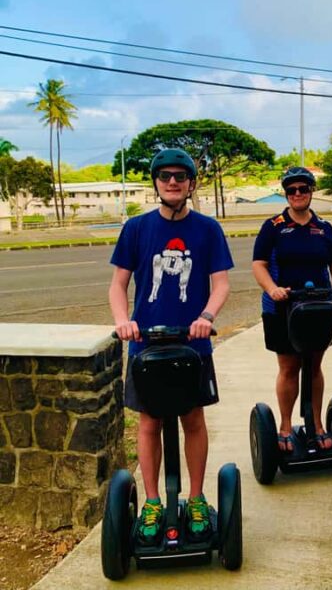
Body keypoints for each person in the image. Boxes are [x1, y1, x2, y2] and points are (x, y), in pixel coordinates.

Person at [109, 147, 233, 546]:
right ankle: (151, 501)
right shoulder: (136, 229)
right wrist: (122, 322)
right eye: (165, 176)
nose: (173, 182)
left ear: (191, 183)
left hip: (192, 343)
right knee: (149, 423)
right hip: (145, 345)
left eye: (181, 176)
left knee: (192, 419)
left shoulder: (208, 229)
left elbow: (221, 283)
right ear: (157, 183)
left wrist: (207, 318)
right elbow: (118, 284)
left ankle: (195, 498)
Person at [252, 167, 332, 452]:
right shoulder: (273, 226)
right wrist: (272, 288)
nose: (298, 194)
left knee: (314, 365)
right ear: (286, 193)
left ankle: (316, 424)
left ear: (311, 192)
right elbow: (258, 264)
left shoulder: (324, 228)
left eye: (303, 189)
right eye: (292, 190)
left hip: (318, 307)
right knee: (289, 366)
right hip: (282, 308)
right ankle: (284, 426)